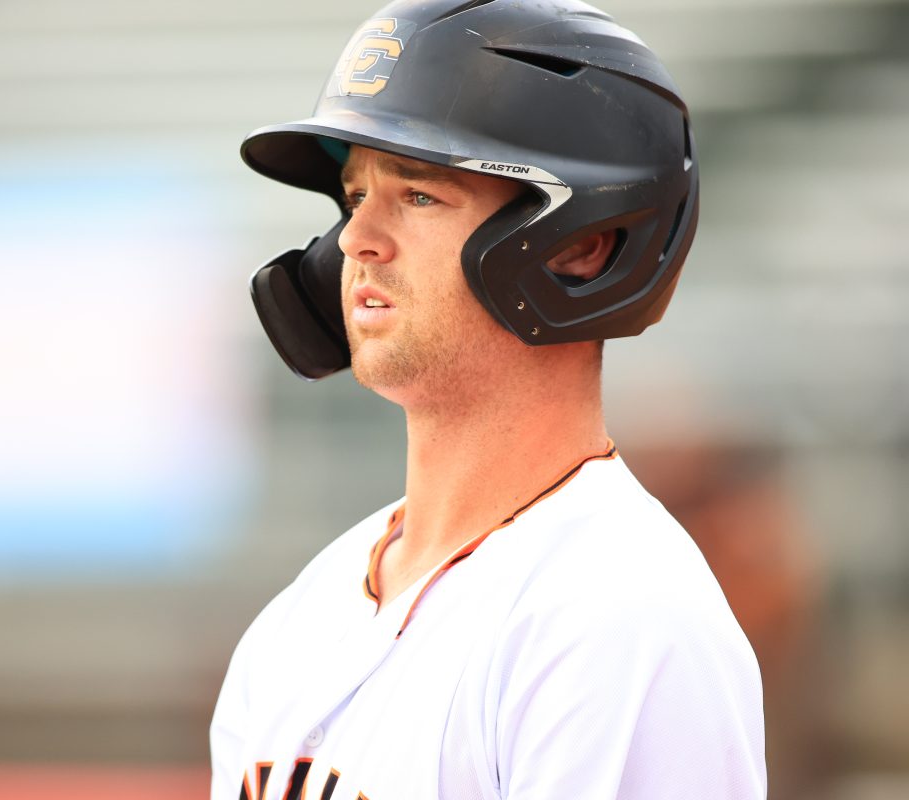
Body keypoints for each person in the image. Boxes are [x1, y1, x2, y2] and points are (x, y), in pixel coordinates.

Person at [211, 1, 766, 798]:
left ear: (582, 242)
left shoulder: (619, 621)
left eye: (419, 195)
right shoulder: (298, 620)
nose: (357, 240)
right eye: (353, 194)